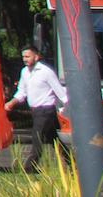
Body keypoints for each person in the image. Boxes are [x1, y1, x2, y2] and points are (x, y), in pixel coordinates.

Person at [4, 44, 68, 172]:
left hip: (46, 110)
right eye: (23, 57)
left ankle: (29, 167)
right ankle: (73, 163)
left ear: (36, 57)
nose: (25, 59)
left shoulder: (46, 72)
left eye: (28, 56)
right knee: (54, 141)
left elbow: (60, 92)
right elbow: (22, 92)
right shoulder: (25, 72)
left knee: (37, 137)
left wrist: (66, 109)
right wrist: (12, 102)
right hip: (35, 111)